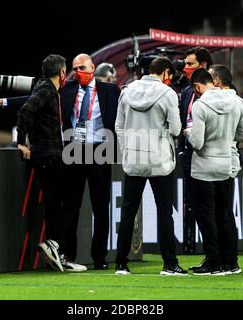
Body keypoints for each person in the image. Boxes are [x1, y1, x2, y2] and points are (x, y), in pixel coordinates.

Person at [114, 57, 187, 276]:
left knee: (127, 211)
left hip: (134, 159)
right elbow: (175, 129)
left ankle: (120, 264)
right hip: (159, 160)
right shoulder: (168, 94)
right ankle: (169, 264)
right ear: (165, 73)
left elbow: (118, 126)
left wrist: (128, 148)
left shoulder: (126, 91)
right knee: (164, 211)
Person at [17, 54, 87, 273]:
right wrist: (20, 142)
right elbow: (26, 110)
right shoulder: (46, 89)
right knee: (69, 201)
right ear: (62, 72)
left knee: (56, 204)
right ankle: (54, 244)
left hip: (50, 154)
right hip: (49, 155)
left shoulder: (48, 89)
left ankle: (56, 250)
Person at [183, 69, 243, 276]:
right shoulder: (237, 102)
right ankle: (231, 262)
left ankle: (214, 263)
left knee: (206, 217)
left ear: (197, 86)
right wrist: (226, 139)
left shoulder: (200, 105)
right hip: (226, 163)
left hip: (204, 167)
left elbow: (198, 142)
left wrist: (189, 133)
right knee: (225, 214)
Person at [60, 54, 120, 270]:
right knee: (71, 205)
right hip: (74, 150)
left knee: (101, 208)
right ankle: (68, 256)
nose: (78, 72)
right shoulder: (66, 89)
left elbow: (121, 117)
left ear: (93, 67)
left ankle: (100, 258)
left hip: (100, 150)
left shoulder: (110, 90)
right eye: (75, 68)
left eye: (82, 67)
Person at [178, 46, 213, 263]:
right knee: (198, 207)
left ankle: (222, 257)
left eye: (190, 64)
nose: (185, 68)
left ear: (203, 66)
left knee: (215, 208)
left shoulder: (225, 92)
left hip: (211, 156)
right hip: (190, 154)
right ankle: (212, 256)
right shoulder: (189, 91)